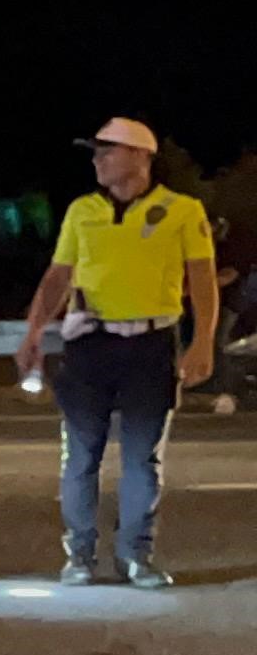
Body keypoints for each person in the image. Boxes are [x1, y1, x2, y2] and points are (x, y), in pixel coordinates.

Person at [13, 116, 218, 587]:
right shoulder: (82, 211)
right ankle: (79, 555)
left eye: (108, 150)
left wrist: (202, 340)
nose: (98, 160)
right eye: (96, 152)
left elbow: (202, 280)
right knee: (81, 456)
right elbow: (58, 277)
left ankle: (135, 557)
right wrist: (33, 335)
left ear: (141, 156)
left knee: (142, 459)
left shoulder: (182, 211)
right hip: (90, 344)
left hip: (151, 345)